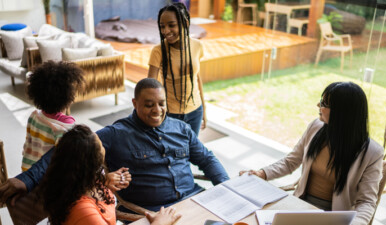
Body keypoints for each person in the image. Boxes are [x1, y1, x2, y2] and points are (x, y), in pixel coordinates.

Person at [0, 78, 229, 213]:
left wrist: (228, 187)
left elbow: (207, 159)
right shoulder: (117, 133)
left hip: (196, 200)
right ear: (134, 103)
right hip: (155, 213)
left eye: (161, 104)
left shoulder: (181, 129)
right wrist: (27, 179)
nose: (157, 111)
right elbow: (67, 149)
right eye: (149, 105)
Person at [240, 82, 383, 225]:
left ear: (341, 112)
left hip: (334, 217)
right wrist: (262, 174)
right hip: (300, 206)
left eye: (324, 103)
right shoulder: (316, 127)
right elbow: (290, 161)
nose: (317, 105)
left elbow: (366, 201)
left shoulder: (372, 153)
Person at [38, 124, 181, 225]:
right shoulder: (83, 211)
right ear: (91, 165)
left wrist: (106, 182)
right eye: (101, 146)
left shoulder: (82, 182)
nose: (104, 148)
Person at [148, 2, 206, 136]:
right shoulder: (158, 51)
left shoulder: (197, 46)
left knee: (192, 152)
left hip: (195, 111)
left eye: (171, 25)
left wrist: (204, 110)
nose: (165, 31)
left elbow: (197, 79)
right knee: (173, 154)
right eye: (162, 27)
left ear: (185, 23)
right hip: (170, 114)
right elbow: (149, 87)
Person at [21, 61, 84, 171]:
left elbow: (27, 146)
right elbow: (64, 163)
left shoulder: (34, 116)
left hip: (27, 172)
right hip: (45, 181)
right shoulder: (66, 128)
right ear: (68, 98)